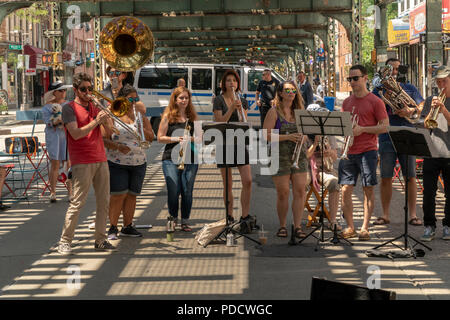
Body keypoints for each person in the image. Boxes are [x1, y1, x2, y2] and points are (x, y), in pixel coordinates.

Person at [58, 72, 116, 255]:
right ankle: (65, 241)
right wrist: (95, 122)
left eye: (90, 89)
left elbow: (111, 132)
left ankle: (100, 239)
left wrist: (107, 118)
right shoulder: (69, 108)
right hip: (82, 161)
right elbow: (75, 133)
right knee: (77, 203)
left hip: (101, 158)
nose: (87, 92)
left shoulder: (95, 106)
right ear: (75, 90)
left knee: (104, 202)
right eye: (83, 89)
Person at [338, 65, 389, 241]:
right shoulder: (346, 102)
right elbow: (344, 126)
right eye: (349, 79)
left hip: (368, 150)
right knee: (345, 189)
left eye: (355, 78)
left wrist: (363, 129)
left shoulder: (375, 101)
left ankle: (365, 228)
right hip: (349, 150)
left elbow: (384, 126)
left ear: (365, 78)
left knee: (368, 189)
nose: (352, 82)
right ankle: (350, 226)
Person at [373, 58, 425, 227]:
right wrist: (383, 99)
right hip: (387, 136)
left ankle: (412, 214)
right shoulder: (378, 90)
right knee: (386, 177)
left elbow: (422, 105)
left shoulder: (409, 87)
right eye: (391, 69)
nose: (395, 72)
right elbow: (371, 107)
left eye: (397, 69)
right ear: (384, 71)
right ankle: (385, 214)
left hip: (407, 134)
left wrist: (411, 109)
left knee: (410, 176)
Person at [102, 84, 154, 240]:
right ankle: (112, 227)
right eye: (131, 98)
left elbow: (151, 136)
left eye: (136, 98)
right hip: (117, 161)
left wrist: (140, 127)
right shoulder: (112, 114)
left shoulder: (140, 116)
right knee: (118, 194)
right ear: (122, 99)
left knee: (132, 195)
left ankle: (128, 226)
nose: (134, 101)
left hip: (138, 162)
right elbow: (104, 138)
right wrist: (117, 146)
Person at [263, 80, 308, 238]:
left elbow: (307, 133)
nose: (291, 93)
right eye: (287, 90)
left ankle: (297, 226)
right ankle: (282, 226)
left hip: (298, 156)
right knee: (283, 193)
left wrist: (303, 138)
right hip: (279, 155)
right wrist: (288, 137)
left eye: (293, 90)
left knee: (300, 191)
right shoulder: (273, 112)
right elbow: (266, 135)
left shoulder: (300, 112)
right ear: (280, 93)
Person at [213, 69, 255, 231]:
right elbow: (220, 121)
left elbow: (244, 121)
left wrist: (239, 109)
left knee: (248, 180)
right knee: (228, 183)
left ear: (238, 84)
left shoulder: (242, 100)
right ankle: (229, 216)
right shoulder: (218, 100)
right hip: (223, 143)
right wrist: (231, 109)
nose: (232, 83)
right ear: (224, 83)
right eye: (229, 80)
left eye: (234, 81)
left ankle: (245, 216)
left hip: (239, 143)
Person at [158, 86, 198, 232]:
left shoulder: (192, 117)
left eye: (186, 98)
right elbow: (160, 137)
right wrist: (176, 138)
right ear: (175, 99)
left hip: (191, 158)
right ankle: (173, 218)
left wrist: (191, 138)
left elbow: (200, 138)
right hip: (170, 158)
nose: (184, 100)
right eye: (181, 98)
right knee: (173, 189)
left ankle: (185, 220)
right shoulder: (168, 117)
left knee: (187, 190)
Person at [420, 66, 450, 241]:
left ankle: (448, 225)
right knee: (428, 192)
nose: (441, 85)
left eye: (444, 81)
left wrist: (444, 109)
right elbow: (425, 124)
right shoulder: (432, 98)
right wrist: (431, 110)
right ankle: (429, 225)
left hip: (448, 154)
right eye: (439, 82)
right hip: (432, 152)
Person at [305, 107, 341, 231]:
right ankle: (297, 222)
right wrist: (315, 144)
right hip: (308, 168)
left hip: (324, 169)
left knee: (334, 183)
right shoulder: (305, 134)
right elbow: (305, 156)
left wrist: (329, 152)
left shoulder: (329, 134)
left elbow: (335, 157)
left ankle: (333, 220)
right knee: (301, 182)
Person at [41, 82, 72, 203]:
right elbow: (50, 122)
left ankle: (70, 192)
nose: (64, 92)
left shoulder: (68, 104)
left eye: (64, 90)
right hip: (53, 136)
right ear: (54, 93)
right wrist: (60, 118)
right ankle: (52, 192)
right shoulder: (46, 108)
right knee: (55, 163)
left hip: (66, 135)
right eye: (61, 90)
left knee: (67, 163)